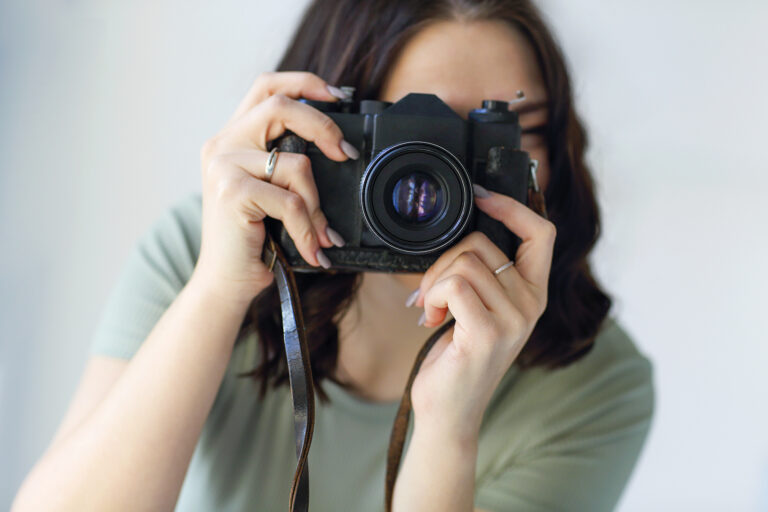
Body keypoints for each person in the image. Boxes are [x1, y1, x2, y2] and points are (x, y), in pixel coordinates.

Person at [11, 1, 655, 511]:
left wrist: (447, 426)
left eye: (493, 135)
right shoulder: (203, 251)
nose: (440, 178)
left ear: (558, 154)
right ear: (316, 127)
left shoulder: (599, 383)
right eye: (411, 134)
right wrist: (216, 292)